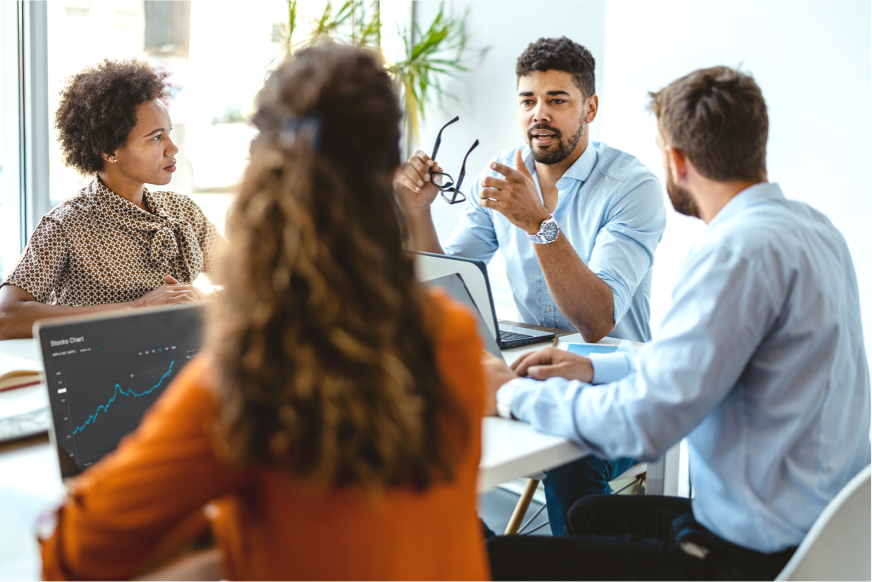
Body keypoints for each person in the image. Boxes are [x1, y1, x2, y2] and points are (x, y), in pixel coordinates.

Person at [39, 43, 489, 581]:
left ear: (263, 173)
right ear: (391, 169)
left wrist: (216, 527)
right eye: (154, 136)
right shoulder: (453, 334)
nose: (170, 147)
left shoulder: (246, 377)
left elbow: (73, 553)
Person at [483, 66, 871, 581]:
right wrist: (594, 369)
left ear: (677, 160)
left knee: (493, 559)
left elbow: (643, 424)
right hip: (818, 532)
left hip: (742, 558)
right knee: (588, 515)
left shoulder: (735, 253)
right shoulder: (814, 229)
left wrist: (510, 395)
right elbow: (701, 361)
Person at [396, 36, 666, 535]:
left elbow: (596, 320)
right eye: (528, 100)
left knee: (571, 463)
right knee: (422, 427)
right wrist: (419, 214)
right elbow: (449, 280)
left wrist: (538, 223)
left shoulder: (633, 187)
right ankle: (480, 552)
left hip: (616, 380)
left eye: (557, 100)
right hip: (530, 368)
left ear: (590, 107)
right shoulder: (500, 173)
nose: (539, 114)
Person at [0, 59, 220, 340]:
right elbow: (6, 317)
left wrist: (207, 303)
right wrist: (135, 309)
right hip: (107, 377)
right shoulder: (67, 224)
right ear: (108, 150)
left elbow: (250, 285)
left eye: (169, 133)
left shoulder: (184, 211)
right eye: (155, 137)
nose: (172, 148)